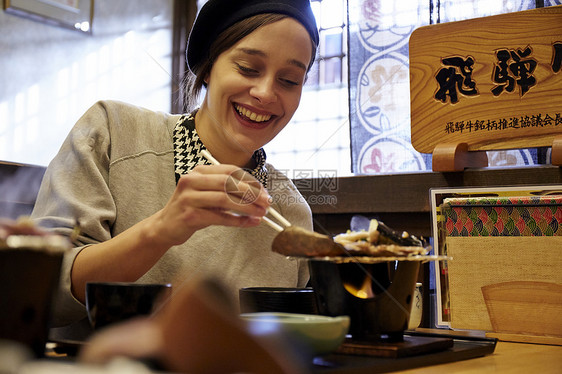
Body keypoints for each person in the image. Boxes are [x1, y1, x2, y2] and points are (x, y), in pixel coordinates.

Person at [31, 0, 319, 327]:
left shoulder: (291, 213)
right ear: (209, 66)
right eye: (248, 68)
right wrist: (162, 228)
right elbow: (37, 290)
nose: (266, 93)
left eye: (290, 80)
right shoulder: (113, 131)